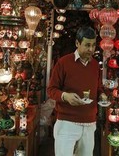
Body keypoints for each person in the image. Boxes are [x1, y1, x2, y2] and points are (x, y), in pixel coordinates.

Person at [47, 26, 107, 156]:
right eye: (87, 45)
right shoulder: (63, 63)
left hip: (90, 123)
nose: (91, 49)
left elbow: (98, 88)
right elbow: (51, 90)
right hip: (66, 122)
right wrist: (65, 96)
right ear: (77, 43)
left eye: (93, 45)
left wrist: (102, 95)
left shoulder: (95, 65)